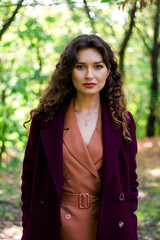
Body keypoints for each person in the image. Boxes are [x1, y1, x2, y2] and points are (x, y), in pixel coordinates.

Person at [21, 34, 139, 240]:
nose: (89, 75)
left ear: (108, 71)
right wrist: (29, 225)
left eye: (98, 66)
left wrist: (129, 225)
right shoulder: (45, 119)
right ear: (69, 72)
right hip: (54, 224)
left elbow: (130, 182)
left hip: (107, 223)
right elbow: (29, 180)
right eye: (80, 67)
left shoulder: (123, 121)